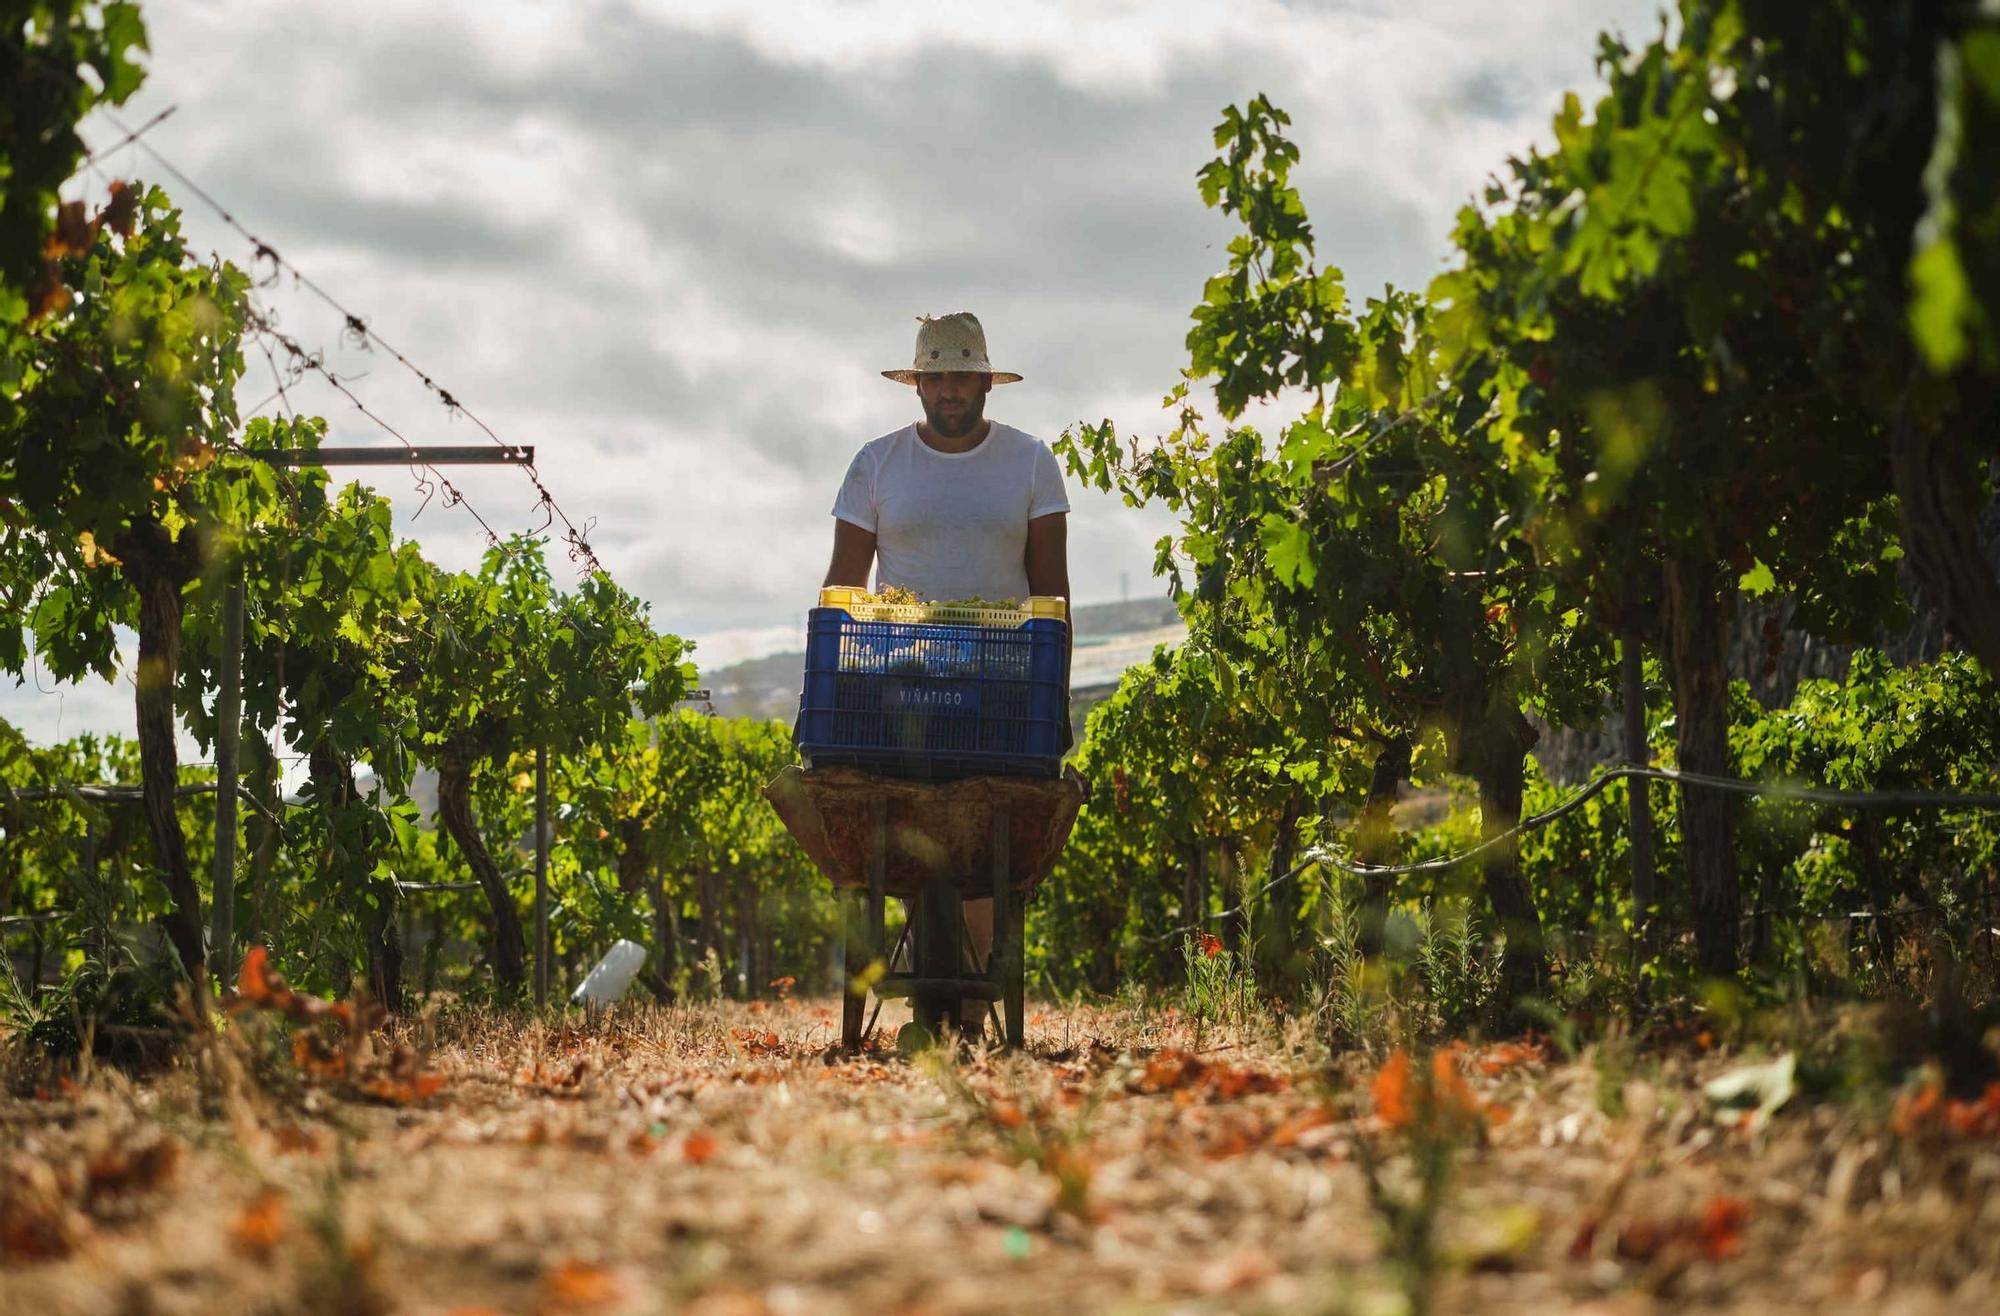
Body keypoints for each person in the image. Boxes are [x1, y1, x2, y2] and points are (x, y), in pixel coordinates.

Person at [822, 311, 1070, 1040]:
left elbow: (1050, 592)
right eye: (937, 377)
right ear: (918, 385)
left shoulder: (1029, 463)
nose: (950, 390)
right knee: (913, 828)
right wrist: (839, 684)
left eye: (963, 375)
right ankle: (939, 995)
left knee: (983, 842)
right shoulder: (877, 464)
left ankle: (962, 1005)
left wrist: (1051, 695)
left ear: (987, 382)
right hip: (901, 680)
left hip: (997, 684)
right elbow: (843, 587)